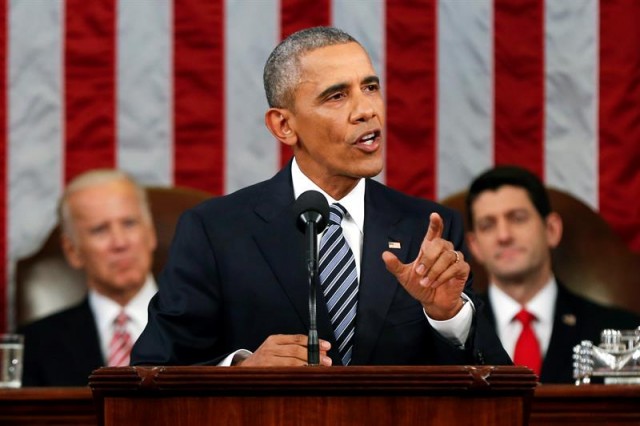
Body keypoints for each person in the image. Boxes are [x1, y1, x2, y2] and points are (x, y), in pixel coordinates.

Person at [131, 26, 510, 367]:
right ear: (284, 125)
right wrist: (242, 371)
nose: (366, 110)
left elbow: (495, 387)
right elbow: (150, 371)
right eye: (337, 96)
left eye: (371, 87)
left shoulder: (426, 230)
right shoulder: (215, 232)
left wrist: (447, 315)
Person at [465, 165, 640, 383]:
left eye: (518, 218)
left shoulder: (619, 332)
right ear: (474, 246)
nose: (503, 236)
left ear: (551, 230)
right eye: (487, 225)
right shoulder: (450, 337)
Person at [19, 169, 158, 386]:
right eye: (100, 230)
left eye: (129, 223)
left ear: (150, 233)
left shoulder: (208, 326)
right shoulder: (34, 347)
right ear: (72, 250)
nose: (120, 242)